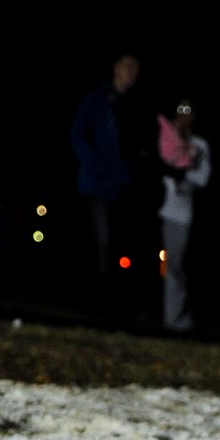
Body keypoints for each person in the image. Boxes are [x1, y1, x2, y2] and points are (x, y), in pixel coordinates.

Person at [71, 53, 146, 295]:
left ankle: (121, 299)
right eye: (127, 66)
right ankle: (98, 300)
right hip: (98, 184)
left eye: (136, 67)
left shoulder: (135, 104)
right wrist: (95, 164)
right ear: (115, 68)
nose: (132, 71)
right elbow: (78, 134)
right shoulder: (96, 100)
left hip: (125, 185)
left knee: (124, 244)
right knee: (102, 242)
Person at [156, 99, 210, 332]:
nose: (184, 117)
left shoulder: (199, 145)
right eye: (180, 111)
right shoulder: (164, 136)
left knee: (174, 266)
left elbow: (202, 177)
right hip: (155, 206)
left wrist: (183, 180)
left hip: (178, 214)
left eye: (189, 112)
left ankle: (174, 319)